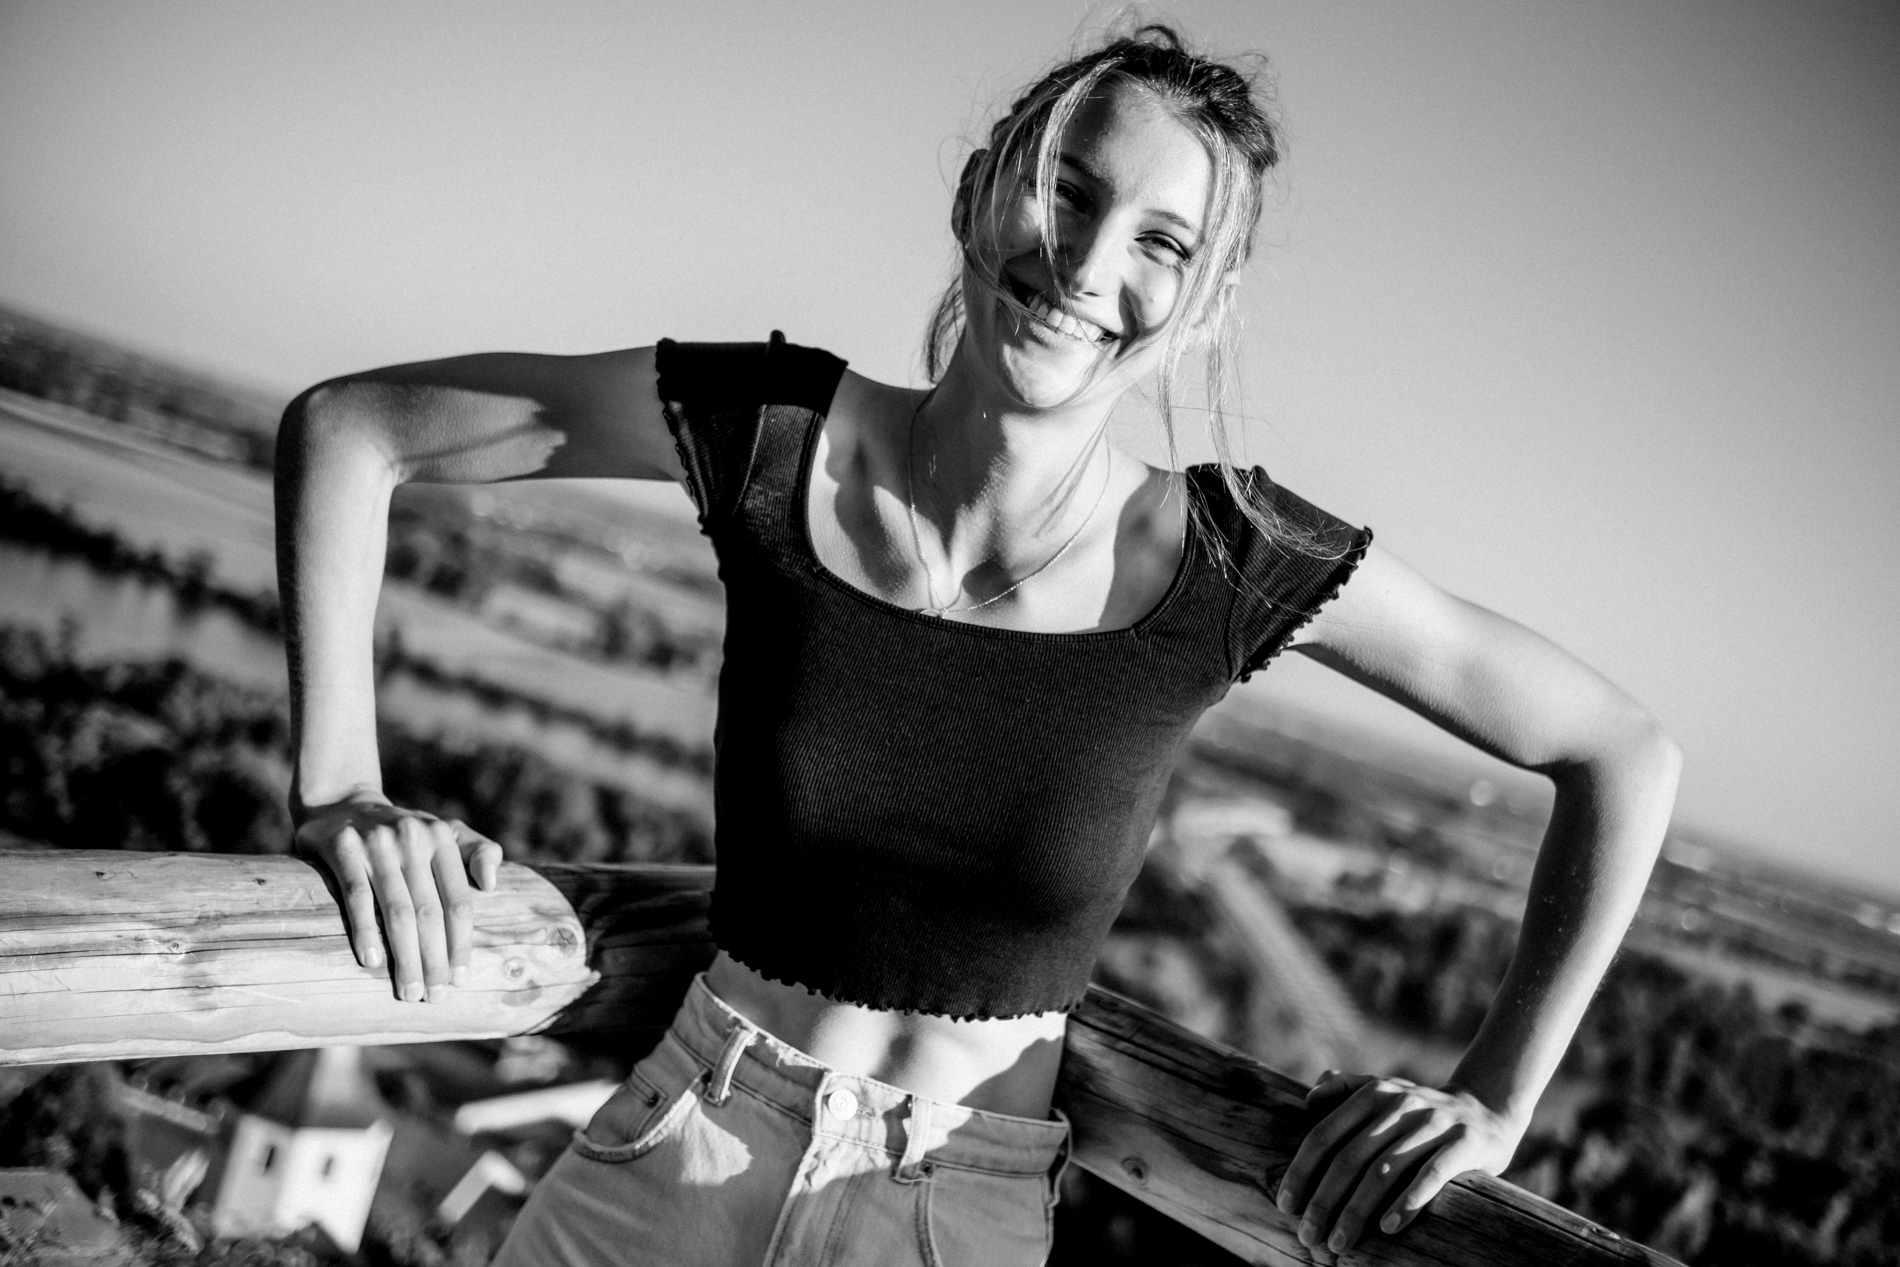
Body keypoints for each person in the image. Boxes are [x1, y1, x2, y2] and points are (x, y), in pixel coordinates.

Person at [273, 23, 1681, 1266]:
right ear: (976, 193)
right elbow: (352, 430)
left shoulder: (1226, 559)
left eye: (1162, 244)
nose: (1087, 263)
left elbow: (1620, 753)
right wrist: (341, 788)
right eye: (1066, 189)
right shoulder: (772, 435)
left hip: (955, 1220)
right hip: (664, 1166)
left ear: (1202, 311)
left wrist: (1495, 1095)